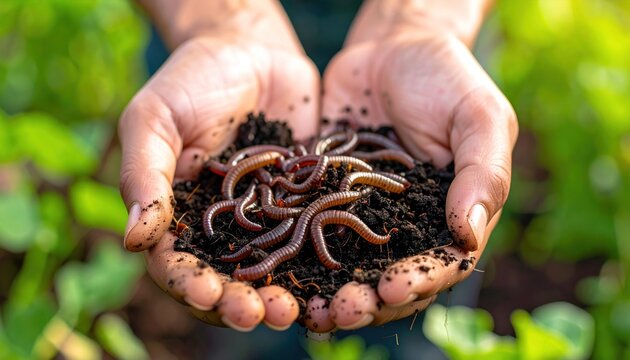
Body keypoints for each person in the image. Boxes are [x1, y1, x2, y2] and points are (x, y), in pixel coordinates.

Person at [119, 0, 517, 335]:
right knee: (251, 325)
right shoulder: (276, 189)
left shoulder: (343, 178)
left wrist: (422, 19)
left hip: (427, 36)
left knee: (416, 316)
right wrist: (220, 18)